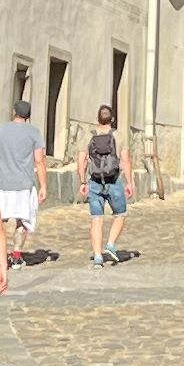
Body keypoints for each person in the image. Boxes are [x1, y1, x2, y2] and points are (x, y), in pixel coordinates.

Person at [0, 85, 45, 268]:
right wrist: (43, 185)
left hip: (2, 184)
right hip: (24, 184)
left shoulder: (0, 130)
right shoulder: (34, 133)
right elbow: (39, 161)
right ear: (28, 116)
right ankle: (17, 255)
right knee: (22, 220)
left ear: (14, 112)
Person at [82, 103, 131, 265]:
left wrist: (82, 181)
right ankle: (110, 244)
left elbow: (81, 160)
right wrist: (129, 182)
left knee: (96, 219)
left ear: (97, 119)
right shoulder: (119, 136)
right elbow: (125, 160)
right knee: (120, 214)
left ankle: (97, 257)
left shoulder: (88, 136)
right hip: (114, 181)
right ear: (113, 119)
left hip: (95, 181)